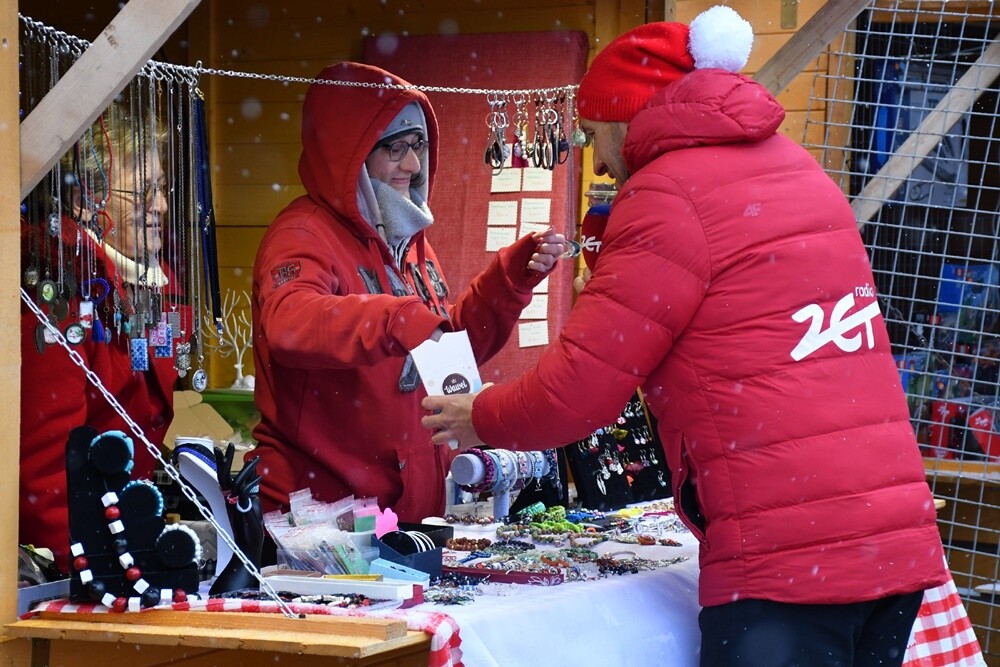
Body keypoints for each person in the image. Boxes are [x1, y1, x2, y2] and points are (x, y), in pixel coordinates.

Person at [422, 6, 948, 666]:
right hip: (889, 545)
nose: (599, 161)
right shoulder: (797, 168)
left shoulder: (667, 195)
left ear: (625, 116)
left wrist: (480, 415)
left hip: (786, 559)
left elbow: (578, 391)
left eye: (594, 134)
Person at [250, 61, 565, 525]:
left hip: (402, 511)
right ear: (351, 155)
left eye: (418, 146)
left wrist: (508, 282)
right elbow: (290, 324)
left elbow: (445, 348)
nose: (414, 165)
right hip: (323, 520)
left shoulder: (409, 242)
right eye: (396, 148)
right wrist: (395, 319)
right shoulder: (302, 235)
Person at [20, 104, 184, 573]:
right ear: (84, 201)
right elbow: (46, 475)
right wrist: (104, 568)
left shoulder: (143, 286)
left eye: (162, 189)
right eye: (144, 192)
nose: (160, 206)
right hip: (69, 563)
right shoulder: (60, 292)